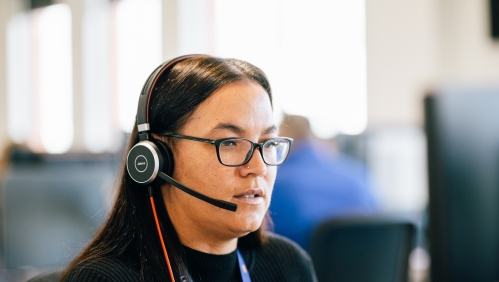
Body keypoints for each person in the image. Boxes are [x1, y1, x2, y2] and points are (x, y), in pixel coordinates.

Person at [59, 55, 317, 282]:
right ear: (158, 158)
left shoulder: (287, 264)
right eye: (228, 143)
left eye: (266, 143)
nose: (258, 167)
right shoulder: (103, 279)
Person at [270, 114, 379, 250]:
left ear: (282, 138)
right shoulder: (358, 173)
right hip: (366, 266)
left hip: (302, 267)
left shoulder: (277, 183)